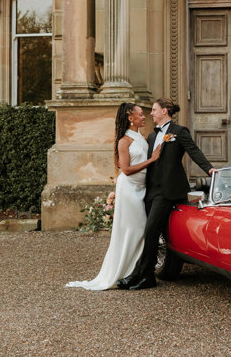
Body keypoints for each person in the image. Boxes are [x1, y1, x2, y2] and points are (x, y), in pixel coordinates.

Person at [117, 98, 216, 290]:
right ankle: (142, 274)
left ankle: (145, 276)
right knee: (150, 232)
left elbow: (194, 151)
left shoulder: (179, 132)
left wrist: (209, 169)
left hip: (168, 191)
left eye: (154, 110)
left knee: (151, 230)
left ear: (165, 111)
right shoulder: (152, 137)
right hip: (151, 190)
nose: (151, 113)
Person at [66, 103, 161, 290]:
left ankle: (135, 270)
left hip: (141, 188)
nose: (144, 117)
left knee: (141, 230)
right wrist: (152, 160)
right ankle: (126, 272)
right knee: (135, 229)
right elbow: (125, 170)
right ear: (130, 117)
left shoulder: (141, 137)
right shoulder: (124, 141)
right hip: (129, 190)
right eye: (140, 114)